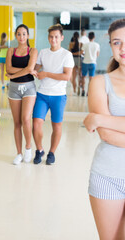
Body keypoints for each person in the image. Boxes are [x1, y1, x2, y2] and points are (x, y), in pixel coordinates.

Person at [83, 18, 125, 240]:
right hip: (107, 176)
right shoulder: (100, 82)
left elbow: (102, 125)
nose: (123, 48)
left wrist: (99, 118)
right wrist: (101, 123)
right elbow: (106, 135)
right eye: (117, 42)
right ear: (110, 45)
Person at [32, 24, 74, 165]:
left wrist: (47, 74)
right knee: (36, 123)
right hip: (42, 94)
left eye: (56, 37)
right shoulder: (43, 52)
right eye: (51, 37)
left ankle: (51, 153)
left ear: (61, 38)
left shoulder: (66, 55)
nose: (53, 39)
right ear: (48, 37)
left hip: (58, 96)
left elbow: (67, 76)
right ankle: (39, 150)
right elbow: (35, 69)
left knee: (56, 126)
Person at [5, 24, 38, 165]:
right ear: (15, 35)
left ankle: (28, 148)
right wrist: (25, 70)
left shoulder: (33, 51)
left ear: (28, 35)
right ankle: (19, 153)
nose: (21, 37)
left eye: (24, 34)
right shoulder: (10, 50)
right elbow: (8, 68)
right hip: (14, 89)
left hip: (29, 88)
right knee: (17, 122)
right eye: (19, 34)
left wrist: (12, 75)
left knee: (25, 119)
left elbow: (30, 68)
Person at [80, 32, 100, 96]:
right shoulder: (97, 45)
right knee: (91, 78)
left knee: (83, 77)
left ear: (88, 37)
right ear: (94, 37)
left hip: (85, 62)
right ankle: (88, 92)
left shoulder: (85, 44)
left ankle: (83, 90)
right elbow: (97, 55)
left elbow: (81, 53)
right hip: (93, 63)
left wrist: (85, 55)